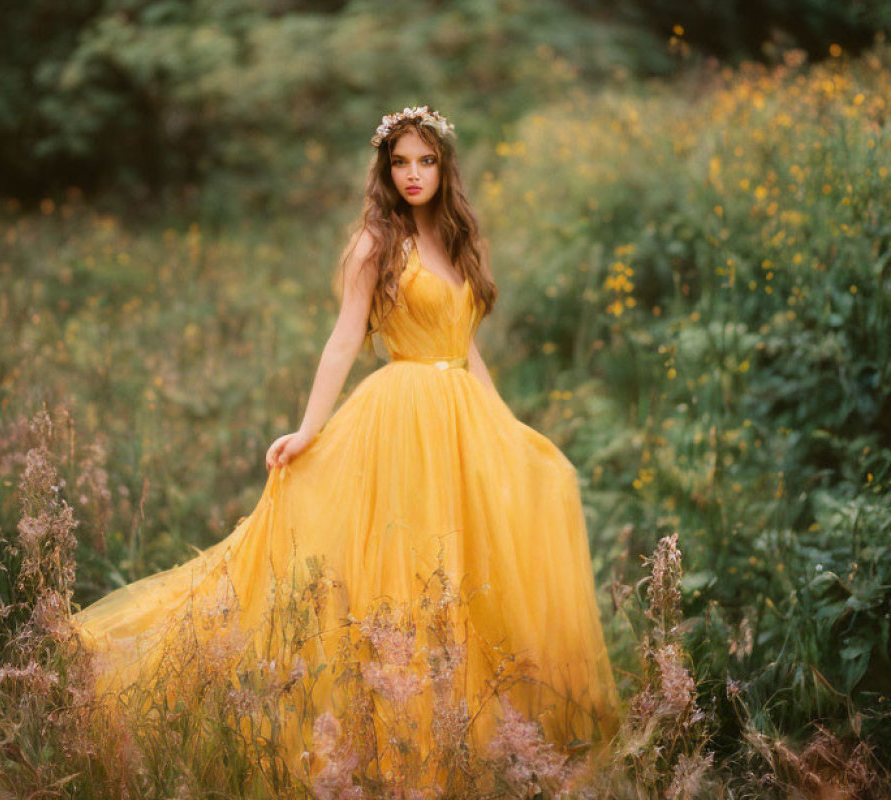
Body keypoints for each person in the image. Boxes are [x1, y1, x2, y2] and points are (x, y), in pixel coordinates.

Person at [72, 105, 620, 788]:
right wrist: (307, 428)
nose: (413, 173)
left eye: (425, 160)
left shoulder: (456, 239)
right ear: (384, 170)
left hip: (461, 420)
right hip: (402, 418)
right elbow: (343, 339)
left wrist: (504, 428)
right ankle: (388, 736)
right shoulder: (375, 241)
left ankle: (475, 734)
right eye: (400, 162)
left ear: (444, 166)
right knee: (402, 563)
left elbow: (466, 344)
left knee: (470, 561)